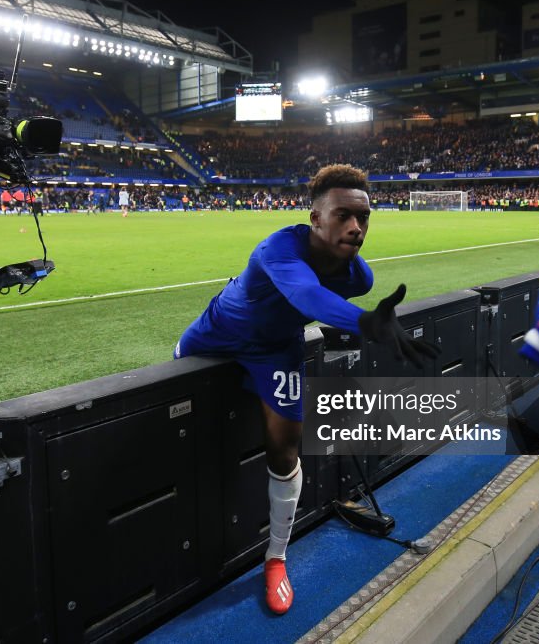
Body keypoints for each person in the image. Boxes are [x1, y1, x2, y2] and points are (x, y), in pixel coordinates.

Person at [173, 164, 439, 615]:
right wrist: (364, 322)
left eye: (364, 217)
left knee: (285, 450)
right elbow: (305, 296)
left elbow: (317, 302)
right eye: (343, 215)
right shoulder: (280, 247)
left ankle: (275, 557)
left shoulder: (359, 277)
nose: (356, 227)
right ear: (316, 217)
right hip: (215, 336)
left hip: (277, 351)